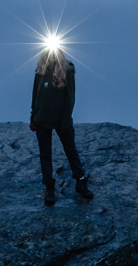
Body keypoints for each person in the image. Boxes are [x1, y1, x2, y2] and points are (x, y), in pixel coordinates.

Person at [30, 44, 93, 206]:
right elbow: (35, 94)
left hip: (61, 120)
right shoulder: (40, 69)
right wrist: (33, 117)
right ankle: (49, 188)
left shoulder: (67, 70)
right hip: (41, 119)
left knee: (70, 150)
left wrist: (65, 121)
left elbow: (70, 97)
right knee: (45, 154)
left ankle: (80, 182)